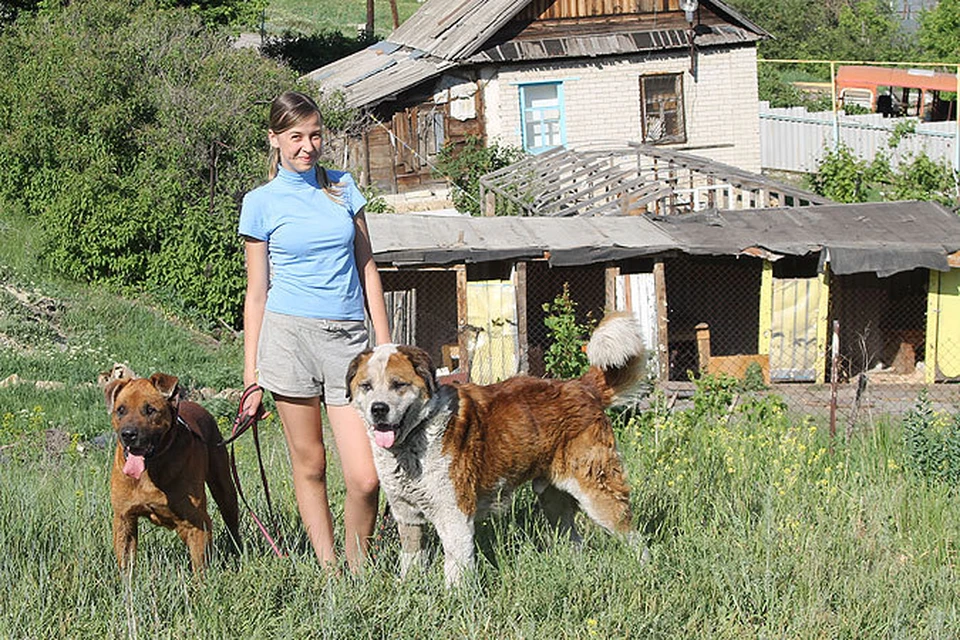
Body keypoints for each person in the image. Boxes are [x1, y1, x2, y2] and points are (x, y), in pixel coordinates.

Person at [237, 90, 391, 572]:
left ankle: (359, 568)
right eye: (296, 137)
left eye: (316, 135)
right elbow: (256, 294)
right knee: (311, 465)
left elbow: (367, 267)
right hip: (288, 340)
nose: (308, 146)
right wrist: (251, 377)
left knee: (366, 477)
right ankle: (330, 572)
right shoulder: (259, 203)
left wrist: (385, 347)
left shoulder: (344, 187)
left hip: (347, 343)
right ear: (274, 139)